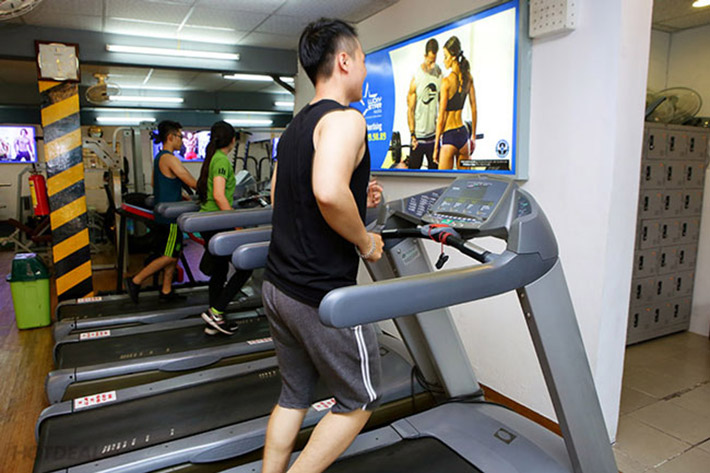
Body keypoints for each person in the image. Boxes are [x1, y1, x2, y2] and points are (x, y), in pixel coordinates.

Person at [259, 18, 384, 473]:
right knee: (360, 398)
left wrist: (357, 197)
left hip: (278, 287)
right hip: (319, 294)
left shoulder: (296, 128)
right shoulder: (346, 119)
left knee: (294, 394)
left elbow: (283, 197)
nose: (365, 70)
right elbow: (328, 192)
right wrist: (366, 242)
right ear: (344, 61)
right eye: (363, 59)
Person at [125, 121, 197, 303]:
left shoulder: (159, 158)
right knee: (169, 256)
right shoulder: (170, 158)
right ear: (170, 137)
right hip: (170, 218)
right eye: (180, 136)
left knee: (174, 254)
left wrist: (178, 194)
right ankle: (135, 280)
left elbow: (155, 183)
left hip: (164, 215)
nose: (182, 141)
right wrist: (210, 189)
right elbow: (190, 180)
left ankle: (166, 291)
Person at [197, 120, 253, 336]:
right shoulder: (221, 160)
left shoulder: (213, 158)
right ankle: (216, 311)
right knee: (246, 266)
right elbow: (219, 196)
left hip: (210, 222)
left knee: (220, 270)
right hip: (217, 223)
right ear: (232, 140)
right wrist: (235, 224)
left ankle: (215, 317)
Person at [434, 36, 477, 170]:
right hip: (463, 135)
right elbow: (474, 108)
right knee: (464, 181)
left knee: (442, 181)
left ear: (453, 57)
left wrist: (436, 147)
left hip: (449, 136)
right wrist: (473, 136)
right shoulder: (468, 77)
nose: (444, 60)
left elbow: (441, 117)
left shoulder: (446, 82)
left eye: (445, 56)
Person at [407, 38, 442, 170]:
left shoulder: (439, 74)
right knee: (413, 177)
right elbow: (410, 110)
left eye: (434, 61)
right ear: (425, 56)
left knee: (436, 177)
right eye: (429, 61)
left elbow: (442, 104)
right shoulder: (417, 77)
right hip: (418, 138)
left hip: (433, 138)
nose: (432, 65)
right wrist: (412, 134)